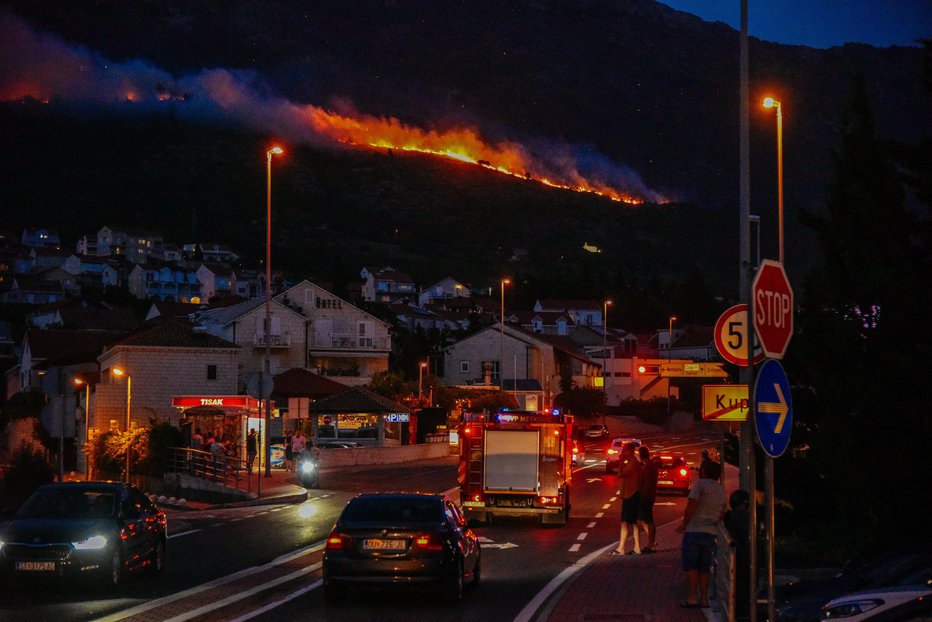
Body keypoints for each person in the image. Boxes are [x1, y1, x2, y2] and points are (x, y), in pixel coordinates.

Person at [676, 459, 727, 609]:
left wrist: (684, 524)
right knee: (705, 568)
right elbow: (723, 511)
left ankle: (692, 597)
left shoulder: (700, 485)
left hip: (694, 530)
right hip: (711, 533)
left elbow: (692, 505)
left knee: (692, 566)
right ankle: (704, 599)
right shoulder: (720, 489)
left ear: (704, 472)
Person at [611, 442, 643, 555]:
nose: (622, 452)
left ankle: (624, 547)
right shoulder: (631, 463)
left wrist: (620, 462)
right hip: (630, 494)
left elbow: (620, 474)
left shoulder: (632, 464)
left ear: (630, 451)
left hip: (631, 495)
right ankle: (632, 547)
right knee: (630, 522)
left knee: (627, 522)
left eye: (624, 450)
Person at [725, 489, 752, 620]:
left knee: (738, 584)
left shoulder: (731, 517)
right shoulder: (751, 516)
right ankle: (745, 611)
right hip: (750, 554)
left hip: (738, 555)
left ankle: (739, 612)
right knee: (748, 585)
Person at [637, 445, 660, 553]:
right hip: (649, 496)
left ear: (641, 455)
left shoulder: (648, 466)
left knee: (649, 520)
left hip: (647, 497)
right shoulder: (650, 465)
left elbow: (647, 482)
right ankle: (651, 542)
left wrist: (643, 496)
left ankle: (651, 544)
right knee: (645, 519)